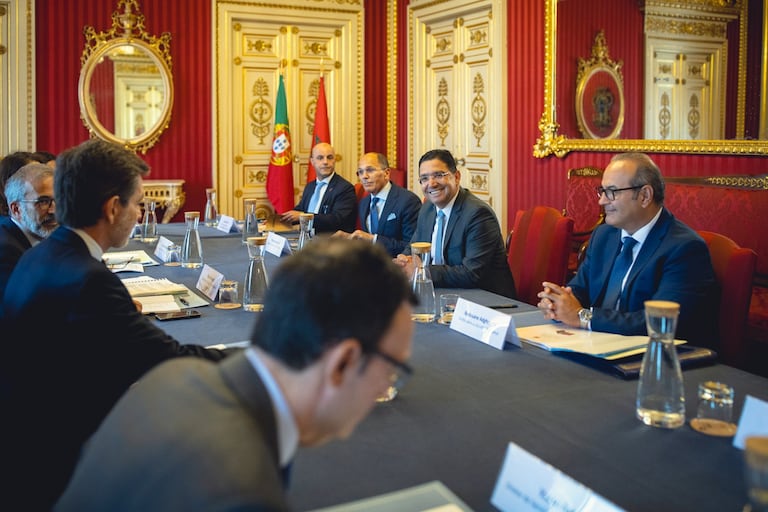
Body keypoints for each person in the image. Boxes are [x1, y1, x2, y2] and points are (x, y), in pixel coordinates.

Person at [55, 238, 416, 511]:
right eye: (393, 368)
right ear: (342, 363)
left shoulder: (175, 376)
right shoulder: (241, 495)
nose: (389, 385)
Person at [0, 139, 230, 510]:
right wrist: (259, 359)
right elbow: (167, 359)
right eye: (138, 202)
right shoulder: (88, 278)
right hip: (53, 467)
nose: (140, 213)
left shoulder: (46, 251)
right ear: (112, 208)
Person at [536, 152, 719, 348]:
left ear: (644, 196)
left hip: (650, 358)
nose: (602, 201)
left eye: (612, 192)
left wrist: (583, 317)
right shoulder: (604, 236)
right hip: (594, 344)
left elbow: (657, 322)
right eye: (602, 191)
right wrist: (558, 302)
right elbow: (580, 289)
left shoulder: (684, 249)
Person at [394, 149, 516, 298]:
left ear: (456, 177)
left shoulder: (478, 214)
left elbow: (472, 273)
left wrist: (421, 270)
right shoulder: (427, 208)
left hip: (485, 302)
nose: (431, 184)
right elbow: (414, 246)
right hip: (444, 294)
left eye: (438, 175)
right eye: (424, 179)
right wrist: (403, 261)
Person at [333, 152, 421, 256]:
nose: (364, 176)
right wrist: (350, 238)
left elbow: (411, 247)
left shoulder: (408, 201)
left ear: (387, 173)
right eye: (360, 172)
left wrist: (373, 239)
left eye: (370, 170)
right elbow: (366, 240)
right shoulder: (363, 203)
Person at [0, 163, 58, 297]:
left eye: (58, 199)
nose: (54, 210)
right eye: (43, 201)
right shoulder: (5, 252)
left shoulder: (41, 236)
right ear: (16, 209)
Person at [281, 142, 357, 233]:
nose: (325, 162)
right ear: (312, 162)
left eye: (329, 157)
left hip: (330, 242)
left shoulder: (344, 188)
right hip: (306, 238)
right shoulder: (310, 186)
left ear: (334, 160)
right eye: (320, 158)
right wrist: (279, 219)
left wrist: (304, 217)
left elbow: (337, 219)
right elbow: (300, 209)